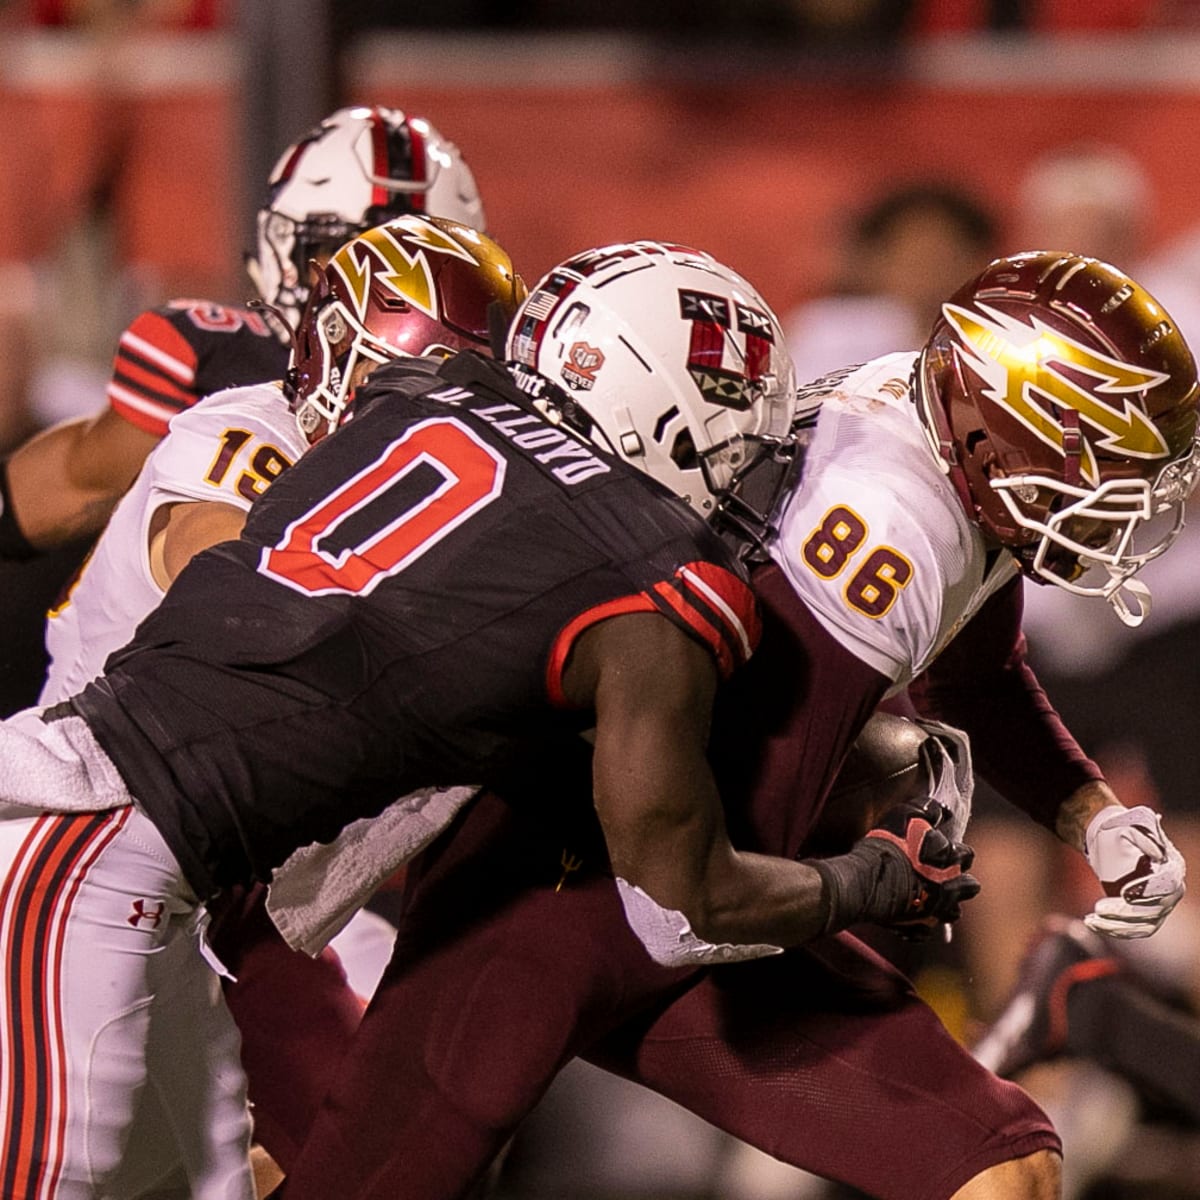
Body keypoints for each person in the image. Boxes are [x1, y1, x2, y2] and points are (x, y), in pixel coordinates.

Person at [0, 239, 981, 1198]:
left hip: (122, 833)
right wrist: (863, 882)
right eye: (736, 433)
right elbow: (685, 897)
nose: (750, 469)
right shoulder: (654, 589)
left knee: (199, 1178)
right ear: (670, 418)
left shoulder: (412, 396)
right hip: (98, 837)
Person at [270, 248, 1199, 1200]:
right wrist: (876, 865)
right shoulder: (890, 523)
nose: (1127, 495)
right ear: (1003, 427)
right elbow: (711, 886)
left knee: (1001, 1167)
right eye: (1105, 457)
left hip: (698, 879)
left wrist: (1092, 814)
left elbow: (976, 678)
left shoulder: (933, 438)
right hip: (571, 874)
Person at [18, 211, 525, 1197]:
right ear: (335, 359)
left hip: (241, 906)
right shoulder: (251, 429)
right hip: (99, 846)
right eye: (415, 388)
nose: (436, 425)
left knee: (417, 1142)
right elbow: (230, 583)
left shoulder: (476, 510)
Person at [0, 103, 485, 711]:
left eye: (390, 271)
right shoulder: (215, 362)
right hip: (171, 705)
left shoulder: (490, 396)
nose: (356, 288)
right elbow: (80, 482)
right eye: (332, 250)